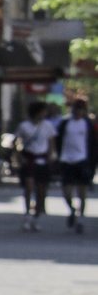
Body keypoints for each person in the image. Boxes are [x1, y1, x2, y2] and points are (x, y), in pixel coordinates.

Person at [56, 97, 98, 233]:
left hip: (82, 160)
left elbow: (93, 145)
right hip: (67, 159)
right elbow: (57, 141)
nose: (78, 112)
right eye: (76, 109)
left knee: (82, 192)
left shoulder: (88, 124)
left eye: (81, 110)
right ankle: (72, 209)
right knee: (66, 191)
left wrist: (92, 165)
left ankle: (81, 218)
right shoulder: (65, 123)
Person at [14, 101, 58, 231]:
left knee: (41, 191)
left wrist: (52, 156)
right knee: (28, 187)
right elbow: (17, 142)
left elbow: (51, 142)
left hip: (42, 160)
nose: (45, 113)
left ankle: (36, 216)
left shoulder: (48, 126)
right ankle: (27, 215)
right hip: (29, 159)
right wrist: (18, 157)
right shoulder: (24, 126)